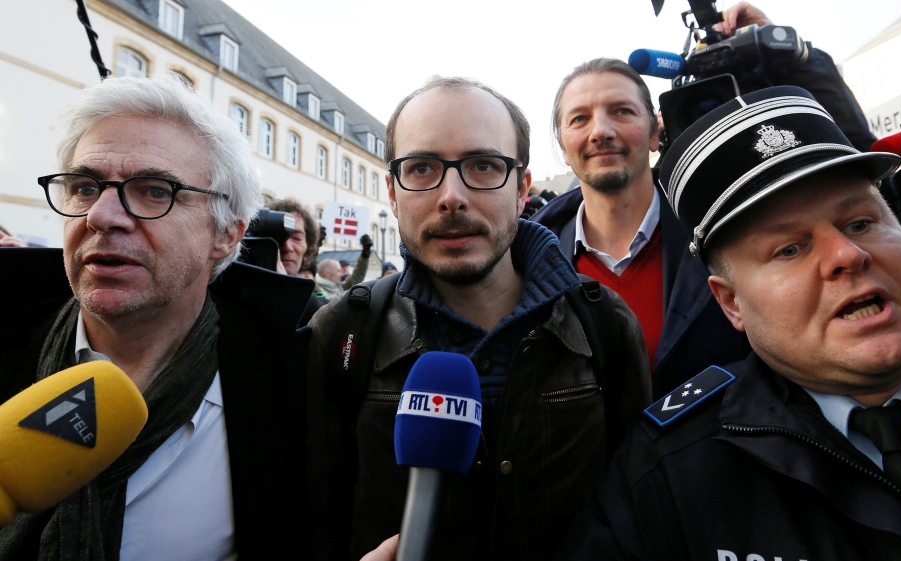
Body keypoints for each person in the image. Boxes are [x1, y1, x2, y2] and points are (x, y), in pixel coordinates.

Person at [557, 86, 901, 560]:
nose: (847, 255)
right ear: (732, 304)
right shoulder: (664, 478)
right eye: (789, 249)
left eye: (860, 223)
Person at [307, 77, 651, 560]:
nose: (451, 196)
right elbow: (312, 518)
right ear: (393, 191)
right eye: (421, 168)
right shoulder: (343, 332)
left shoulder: (604, 324)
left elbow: (639, 513)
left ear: (521, 188)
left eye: (483, 166)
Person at [0, 75, 315, 560]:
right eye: (85, 187)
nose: (102, 215)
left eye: (154, 190)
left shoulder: (297, 382)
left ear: (227, 234)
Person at [531, 1, 876, 396]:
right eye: (580, 119)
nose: (601, 131)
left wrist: (796, 56)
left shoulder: (729, 226)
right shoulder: (527, 261)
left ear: (655, 132)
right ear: (563, 146)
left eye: (622, 112)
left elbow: (849, 173)